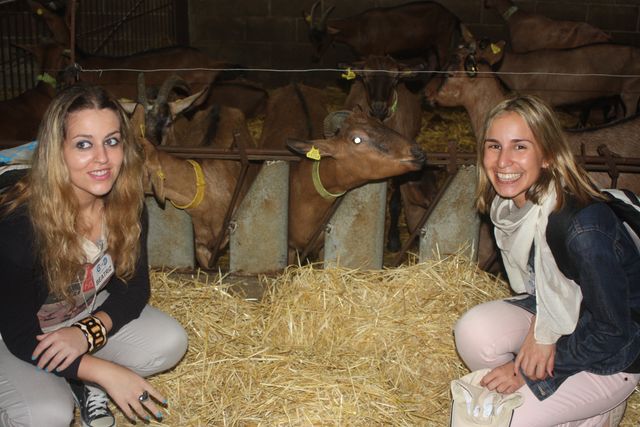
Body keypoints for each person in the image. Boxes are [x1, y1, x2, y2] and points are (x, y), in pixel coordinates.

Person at [0, 83, 188, 427]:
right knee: (45, 416)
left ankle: (74, 380)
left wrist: (88, 333)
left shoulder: (125, 204)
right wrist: (104, 371)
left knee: (169, 342)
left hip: (72, 316)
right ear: (56, 152)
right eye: (83, 144)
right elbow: (18, 334)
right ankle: (69, 382)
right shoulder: (21, 223)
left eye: (112, 141)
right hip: (10, 333)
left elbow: (134, 287)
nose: (102, 158)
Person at [454, 94, 640, 426]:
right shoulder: (512, 207)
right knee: (473, 331)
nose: (502, 162)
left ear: (548, 156)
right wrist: (540, 332)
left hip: (616, 354)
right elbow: (550, 288)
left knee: (506, 419)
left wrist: (523, 371)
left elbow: (613, 330)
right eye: (494, 146)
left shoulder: (582, 229)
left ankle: (600, 408)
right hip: (568, 315)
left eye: (520, 147)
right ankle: (558, 405)